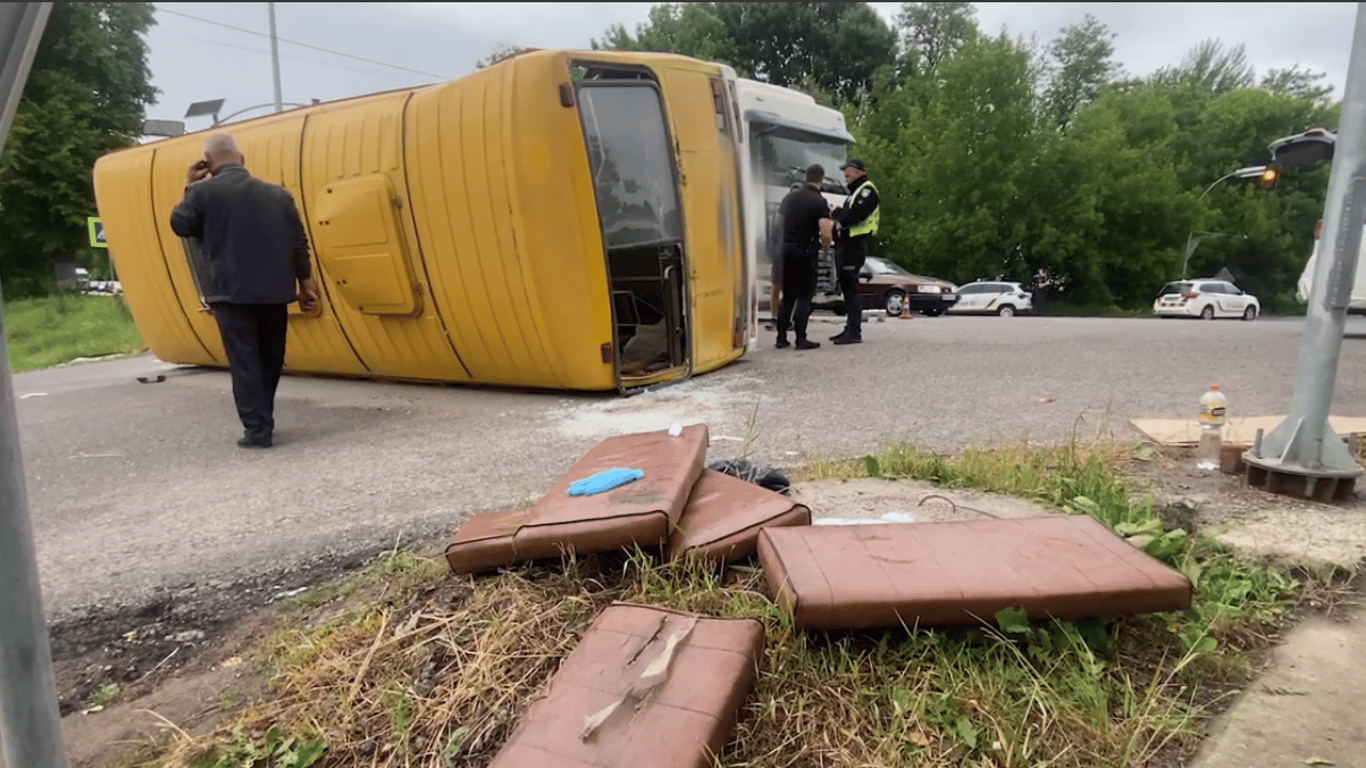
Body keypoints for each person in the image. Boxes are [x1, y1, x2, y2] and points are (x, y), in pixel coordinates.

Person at [170, 133, 319, 449]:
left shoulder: (202, 192)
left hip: (231, 293)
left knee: (245, 361)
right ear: (242, 158)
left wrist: (188, 184)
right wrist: (305, 285)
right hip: (276, 292)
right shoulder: (278, 195)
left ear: (207, 163)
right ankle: (263, 419)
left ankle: (258, 430)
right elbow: (298, 244)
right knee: (270, 358)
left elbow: (181, 224)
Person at [775, 165, 833, 350]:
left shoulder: (791, 198)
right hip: (805, 252)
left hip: (787, 249)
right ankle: (801, 338)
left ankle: (781, 337)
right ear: (820, 179)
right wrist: (824, 247)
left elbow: (780, 222)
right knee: (804, 296)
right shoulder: (819, 201)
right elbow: (826, 232)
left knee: (788, 295)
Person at [828, 157, 880, 344]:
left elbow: (855, 216)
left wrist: (835, 213)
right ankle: (849, 328)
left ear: (858, 171)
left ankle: (854, 332)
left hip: (854, 244)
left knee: (851, 290)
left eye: (847, 171)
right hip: (845, 244)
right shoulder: (854, 193)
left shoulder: (867, 191)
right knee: (847, 289)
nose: (845, 175)